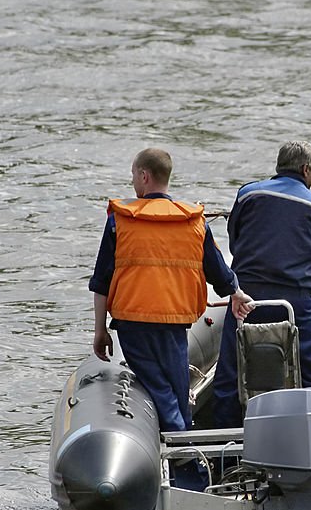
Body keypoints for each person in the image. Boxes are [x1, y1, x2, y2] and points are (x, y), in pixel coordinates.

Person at [89, 148, 254, 433]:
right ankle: (186, 455)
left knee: (159, 389)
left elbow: (101, 281)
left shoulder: (120, 220)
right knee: (176, 392)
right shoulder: (193, 221)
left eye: (133, 175)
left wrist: (100, 330)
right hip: (175, 324)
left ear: (144, 176)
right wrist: (236, 293)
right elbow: (218, 270)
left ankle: (182, 445)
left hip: (133, 324)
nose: (132, 182)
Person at [213, 140, 311, 428]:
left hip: (246, 296)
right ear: (306, 170)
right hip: (295, 301)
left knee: (230, 371)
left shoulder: (247, 194)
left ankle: (224, 440)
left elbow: (236, 238)